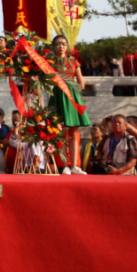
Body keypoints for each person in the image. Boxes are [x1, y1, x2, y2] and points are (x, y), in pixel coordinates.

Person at [49, 35, 90, 175]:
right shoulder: (50, 62)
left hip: (72, 98)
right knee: (61, 132)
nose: (61, 46)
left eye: (63, 44)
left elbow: (81, 83)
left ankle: (74, 166)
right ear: (53, 47)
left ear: (67, 46)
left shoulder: (73, 61)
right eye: (58, 44)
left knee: (73, 132)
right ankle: (65, 165)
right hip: (57, 97)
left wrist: (73, 94)